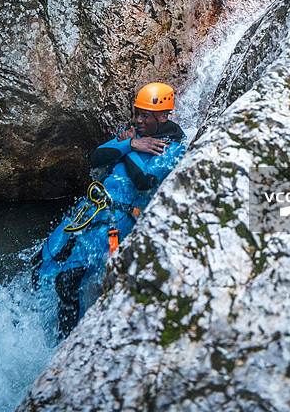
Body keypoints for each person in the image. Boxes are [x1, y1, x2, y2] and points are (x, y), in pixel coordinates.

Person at [32, 82, 186, 338]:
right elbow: (97, 157)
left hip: (119, 219)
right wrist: (131, 144)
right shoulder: (134, 134)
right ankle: (28, 323)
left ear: (163, 115)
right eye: (136, 113)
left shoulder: (173, 148)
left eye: (145, 115)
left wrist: (130, 147)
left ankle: (64, 347)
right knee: (40, 262)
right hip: (91, 209)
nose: (138, 120)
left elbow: (144, 180)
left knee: (67, 281)